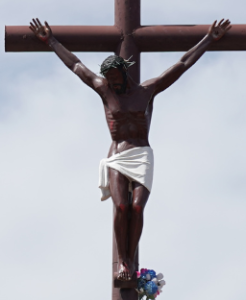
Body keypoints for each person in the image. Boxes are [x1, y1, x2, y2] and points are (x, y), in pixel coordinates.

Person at [27, 17, 233, 281]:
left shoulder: (146, 91)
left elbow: (181, 65)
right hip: (117, 155)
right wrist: (51, 41)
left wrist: (208, 39)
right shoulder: (104, 90)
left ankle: (130, 257)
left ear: (123, 73)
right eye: (108, 79)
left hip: (142, 154)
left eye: (115, 78)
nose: (111, 83)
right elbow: (76, 65)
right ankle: (123, 262)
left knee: (136, 209)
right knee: (121, 207)